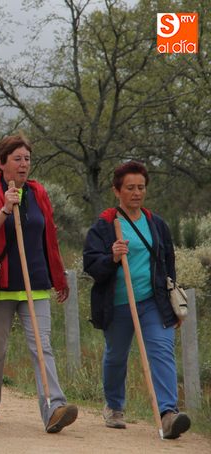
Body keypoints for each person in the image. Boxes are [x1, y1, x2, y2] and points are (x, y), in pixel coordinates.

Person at [0, 134, 78, 433]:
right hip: (0, 282)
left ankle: (54, 407)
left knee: (42, 347)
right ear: (1, 163)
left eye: (27, 158)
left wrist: (58, 276)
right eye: (17, 158)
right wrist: (4, 209)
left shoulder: (38, 192)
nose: (23, 164)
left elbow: (49, 238)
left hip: (35, 282)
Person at [83, 161, 190, 439]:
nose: (136, 193)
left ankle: (168, 414)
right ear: (117, 190)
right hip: (117, 303)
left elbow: (168, 263)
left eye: (140, 187)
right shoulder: (105, 225)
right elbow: (91, 265)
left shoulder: (156, 224)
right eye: (130, 188)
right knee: (116, 356)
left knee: (162, 351)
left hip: (152, 301)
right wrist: (113, 257)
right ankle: (114, 407)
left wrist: (173, 303)